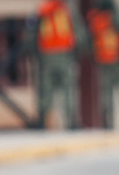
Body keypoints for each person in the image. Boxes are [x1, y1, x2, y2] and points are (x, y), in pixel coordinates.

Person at [29, 0, 88, 128]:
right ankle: (72, 120)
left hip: (47, 54)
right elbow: (78, 31)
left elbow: (31, 32)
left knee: (46, 88)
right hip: (64, 53)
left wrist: (34, 52)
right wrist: (78, 51)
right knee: (68, 87)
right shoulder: (68, 9)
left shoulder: (42, 9)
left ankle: (42, 119)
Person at [85, 0, 119, 129]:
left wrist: (94, 57)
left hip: (104, 60)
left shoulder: (96, 21)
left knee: (106, 94)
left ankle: (107, 123)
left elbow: (89, 41)